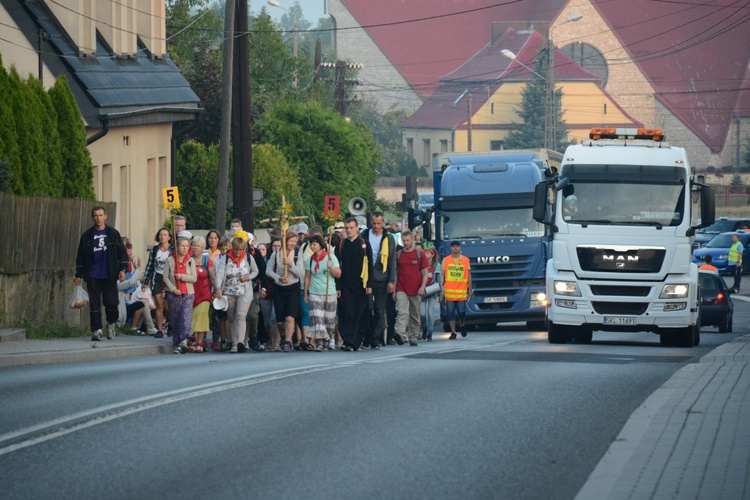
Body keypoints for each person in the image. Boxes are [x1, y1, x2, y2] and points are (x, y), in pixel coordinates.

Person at [75, 206, 129, 341]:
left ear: (105, 216)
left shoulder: (113, 234)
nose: (98, 218)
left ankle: (111, 324)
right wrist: (79, 274)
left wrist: (122, 269)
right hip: (92, 274)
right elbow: (80, 256)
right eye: (96, 216)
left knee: (111, 303)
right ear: (92, 217)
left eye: (100, 215)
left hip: (109, 274)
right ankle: (97, 330)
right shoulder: (87, 236)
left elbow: (122, 253)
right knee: (94, 304)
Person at [361, 211, 398, 349]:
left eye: (378, 223)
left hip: (382, 278)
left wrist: (392, 281)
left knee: (379, 310)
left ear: (383, 223)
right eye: (374, 223)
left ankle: (375, 338)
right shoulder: (364, 235)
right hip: (367, 277)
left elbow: (392, 260)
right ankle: (367, 336)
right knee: (367, 308)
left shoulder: (388, 238)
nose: (376, 226)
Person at [335, 217, 373, 351]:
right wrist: (337, 286)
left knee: (360, 313)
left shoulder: (364, 244)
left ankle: (357, 341)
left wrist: (369, 284)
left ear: (357, 228)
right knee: (347, 312)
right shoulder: (341, 245)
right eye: (347, 228)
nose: (349, 230)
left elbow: (370, 266)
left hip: (361, 285)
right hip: (345, 285)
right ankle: (347, 340)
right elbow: (337, 267)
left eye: (351, 228)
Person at [215, 236, 258, 353]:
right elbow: (219, 274)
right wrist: (218, 288)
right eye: (235, 249)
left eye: (240, 249)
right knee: (231, 318)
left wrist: (248, 277)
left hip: (244, 291)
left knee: (241, 316)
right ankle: (233, 343)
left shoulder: (248, 258)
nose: (238, 252)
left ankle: (241, 342)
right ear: (231, 248)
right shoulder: (225, 259)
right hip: (229, 291)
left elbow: (255, 271)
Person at [266, 231, 305, 352]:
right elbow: (268, 270)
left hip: (293, 287)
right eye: (291, 241)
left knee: (290, 317)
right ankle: (283, 337)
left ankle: (288, 341)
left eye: (295, 241)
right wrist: (278, 277)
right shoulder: (276, 254)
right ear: (285, 241)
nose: (293, 243)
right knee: (280, 322)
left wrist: (291, 265)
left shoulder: (297, 254)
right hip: (279, 288)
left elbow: (300, 273)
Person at [304, 234, 342, 351]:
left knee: (329, 319)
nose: (312, 246)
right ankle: (319, 342)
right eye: (311, 244)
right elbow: (307, 277)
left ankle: (328, 339)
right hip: (315, 292)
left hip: (329, 291)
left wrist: (331, 268)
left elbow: (338, 274)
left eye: (314, 244)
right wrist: (306, 292)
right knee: (317, 318)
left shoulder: (331, 258)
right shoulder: (310, 260)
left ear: (321, 245)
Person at [394, 230, 430, 346]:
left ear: (412, 240)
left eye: (408, 240)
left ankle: (413, 336)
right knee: (401, 312)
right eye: (404, 241)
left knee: (415, 314)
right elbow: (395, 273)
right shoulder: (398, 255)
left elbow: (425, 272)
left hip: (416, 288)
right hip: (401, 287)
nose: (405, 243)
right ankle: (399, 333)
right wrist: (394, 290)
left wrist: (422, 287)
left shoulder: (419, 254)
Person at [162, 235, 197, 353]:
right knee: (176, 319)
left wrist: (182, 277)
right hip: (174, 294)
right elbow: (165, 277)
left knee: (185, 317)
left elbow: (194, 278)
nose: (185, 248)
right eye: (182, 246)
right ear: (177, 247)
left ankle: (184, 340)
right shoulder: (170, 260)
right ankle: (177, 342)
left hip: (188, 293)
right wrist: (172, 289)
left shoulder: (190, 261)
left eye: (187, 246)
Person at [143, 227, 172, 338]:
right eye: (160, 235)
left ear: (169, 237)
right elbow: (149, 266)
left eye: (165, 235)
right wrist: (146, 281)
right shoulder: (155, 250)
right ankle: (159, 330)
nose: (162, 237)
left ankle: (171, 325)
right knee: (159, 304)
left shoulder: (172, 250)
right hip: (157, 278)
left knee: (167, 305)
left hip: (168, 278)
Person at [441, 240, 473, 339]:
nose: (455, 248)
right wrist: (441, 290)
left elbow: (469, 276)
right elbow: (442, 276)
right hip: (449, 292)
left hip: (461, 291)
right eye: (453, 246)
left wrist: (470, 289)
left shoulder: (465, 260)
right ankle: (453, 332)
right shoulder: (446, 260)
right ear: (451, 248)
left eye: (457, 246)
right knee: (450, 313)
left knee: (461, 312)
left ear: (460, 248)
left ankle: (462, 324)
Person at [190, 236, 214, 352]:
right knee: (191, 317)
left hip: (204, 293)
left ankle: (199, 343)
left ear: (203, 248)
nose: (195, 247)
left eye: (198, 246)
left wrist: (217, 291)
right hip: (191, 293)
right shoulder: (188, 260)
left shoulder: (207, 261)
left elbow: (213, 278)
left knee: (201, 317)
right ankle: (192, 340)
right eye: (194, 245)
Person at [261, 239, 282, 351]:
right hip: (266, 291)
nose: (277, 248)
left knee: (275, 318)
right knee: (267, 321)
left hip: (279, 292)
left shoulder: (284, 259)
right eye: (274, 246)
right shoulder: (266, 260)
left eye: (279, 246)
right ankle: (271, 339)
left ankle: (277, 343)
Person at [420, 248, 440, 341]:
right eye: (425, 253)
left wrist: (441, 294)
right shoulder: (421, 265)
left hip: (432, 291)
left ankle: (430, 333)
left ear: (432, 255)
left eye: (428, 253)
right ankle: (424, 328)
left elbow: (440, 280)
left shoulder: (436, 266)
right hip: (423, 291)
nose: (426, 254)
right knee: (422, 313)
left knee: (430, 313)